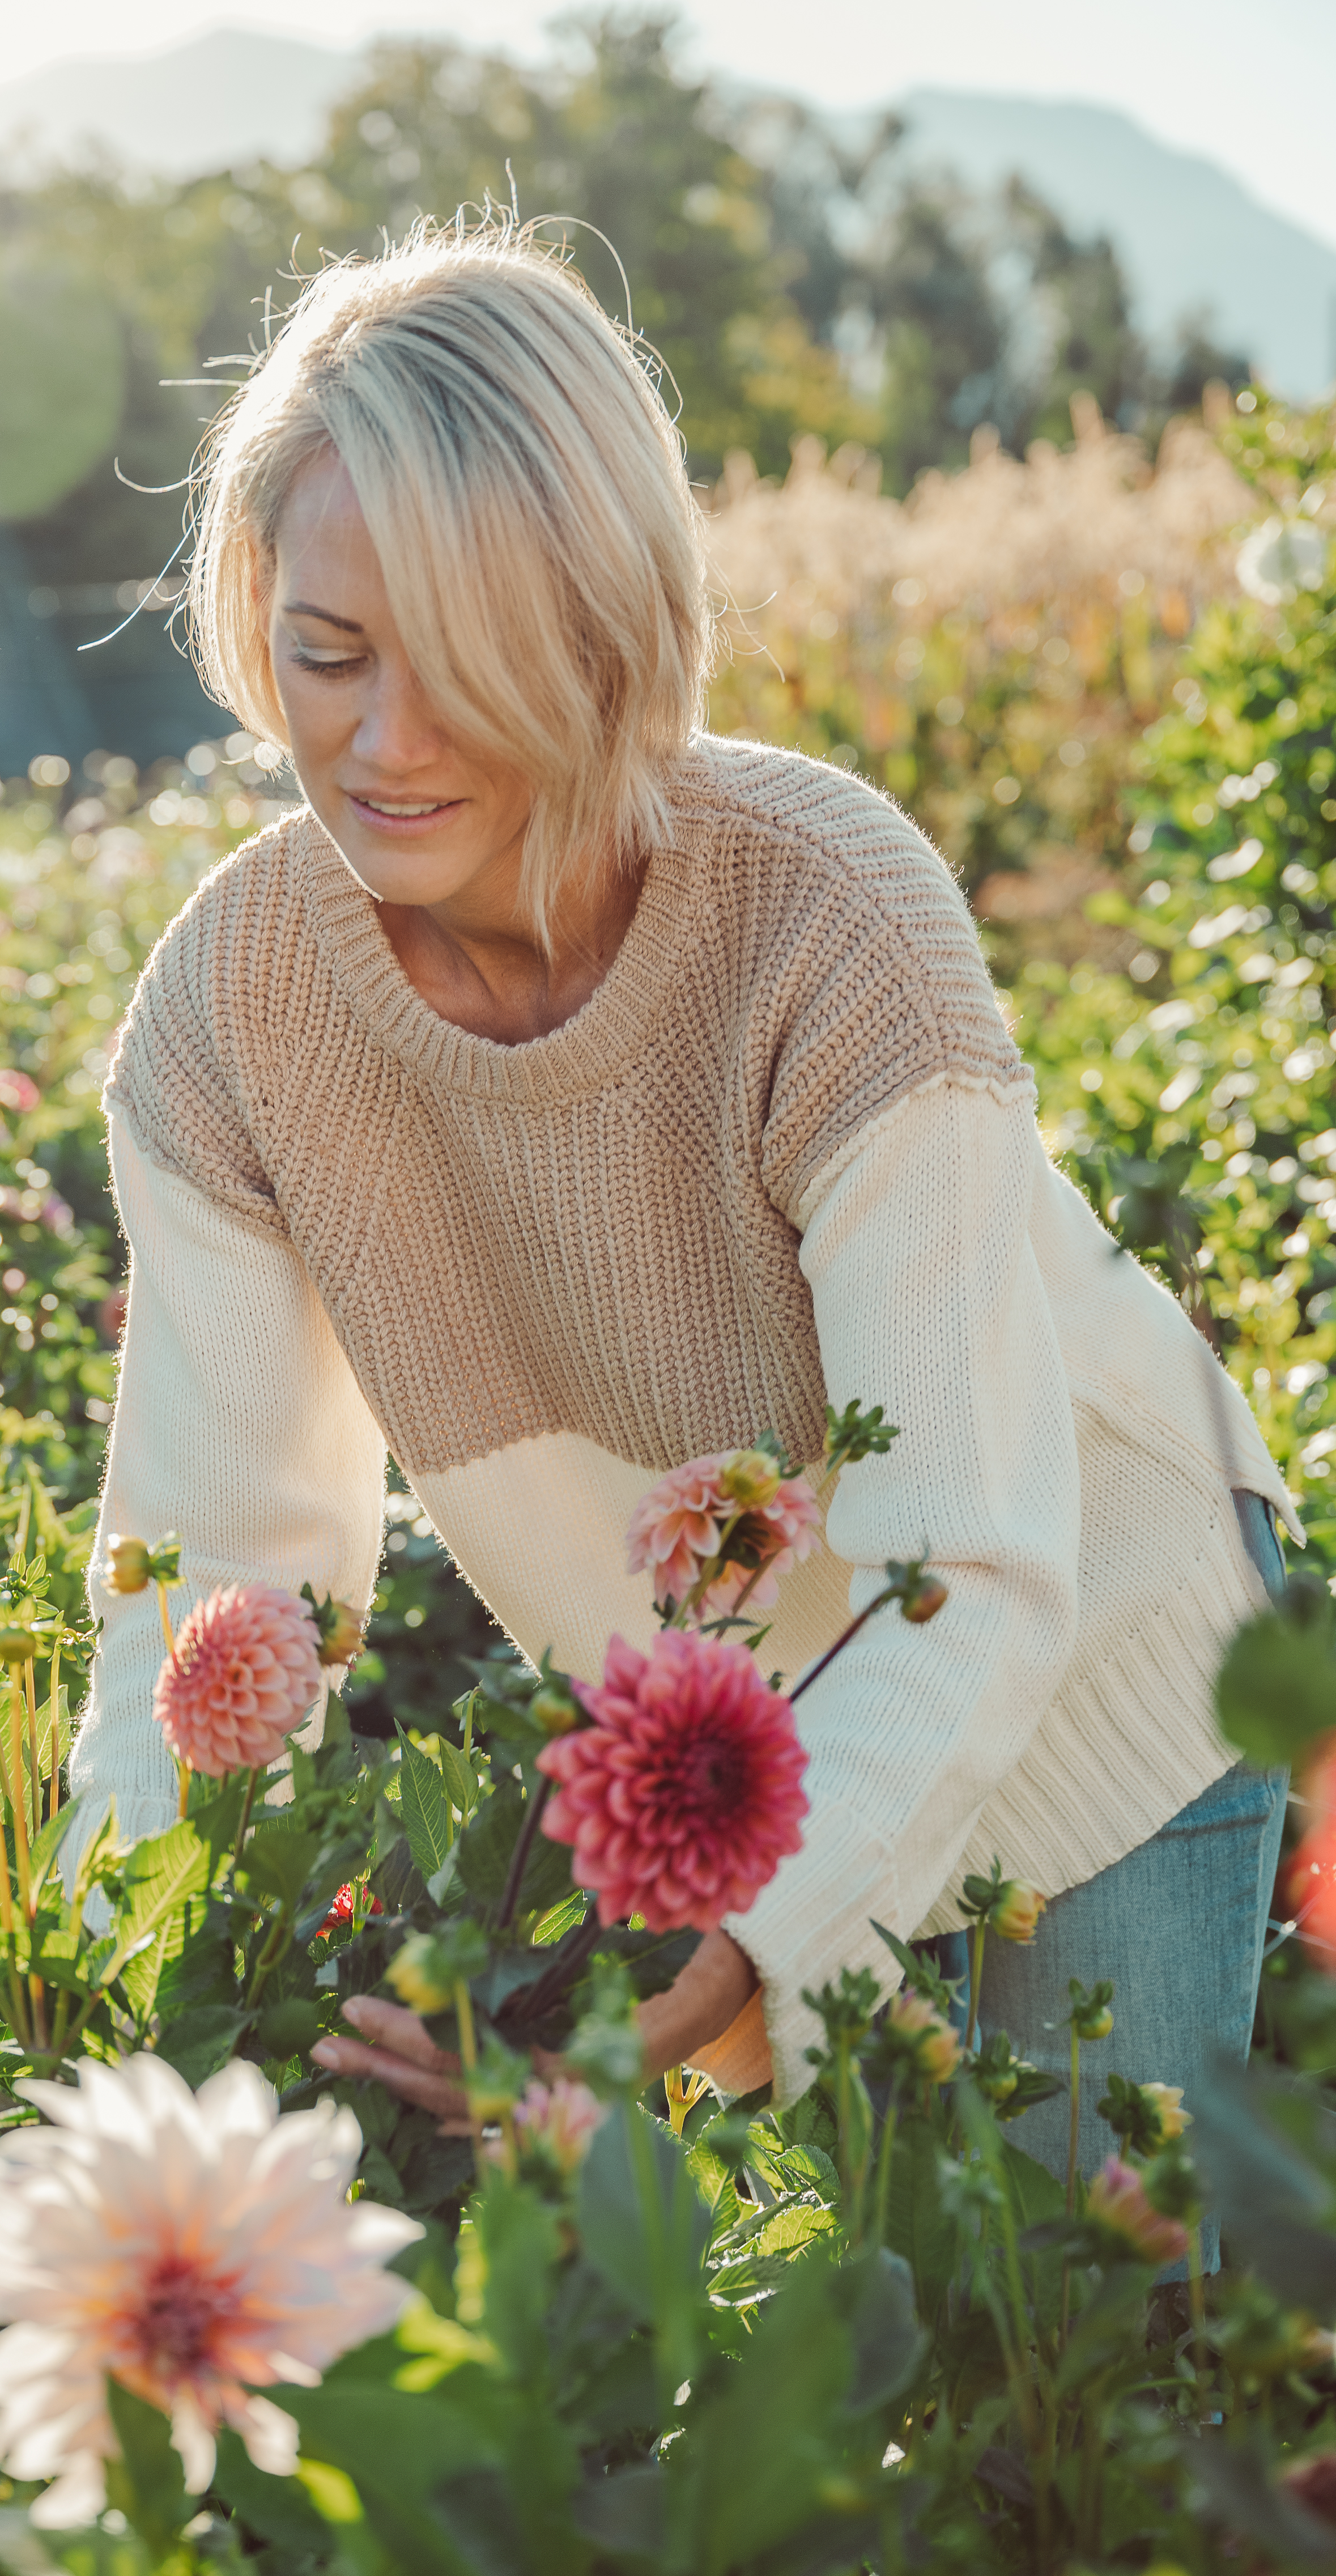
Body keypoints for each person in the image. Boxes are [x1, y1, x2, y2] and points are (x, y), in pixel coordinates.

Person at [69, 220, 1293, 2180]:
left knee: (1092, 2386)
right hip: (780, 1747)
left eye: (465, 665)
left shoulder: (820, 920)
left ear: (608, 627)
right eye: (327, 652)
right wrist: (129, 2011)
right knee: (890, 2392)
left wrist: (736, 1943)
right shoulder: (233, 1015)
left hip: (1095, 1676)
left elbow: (971, 1559)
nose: (384, 744)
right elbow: (217, 1577)